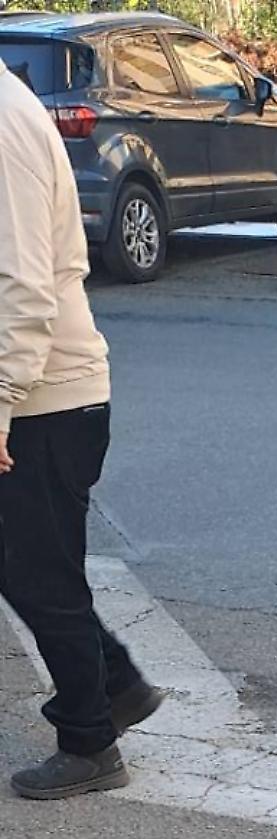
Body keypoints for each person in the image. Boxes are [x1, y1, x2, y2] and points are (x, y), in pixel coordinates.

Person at [0, 54, 159, 799]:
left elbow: (23, 284)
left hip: (42, 396)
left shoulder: (1, 120)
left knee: (38, 572)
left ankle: (90, 741)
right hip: (44, 392)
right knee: (38, 567)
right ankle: (116, 685)